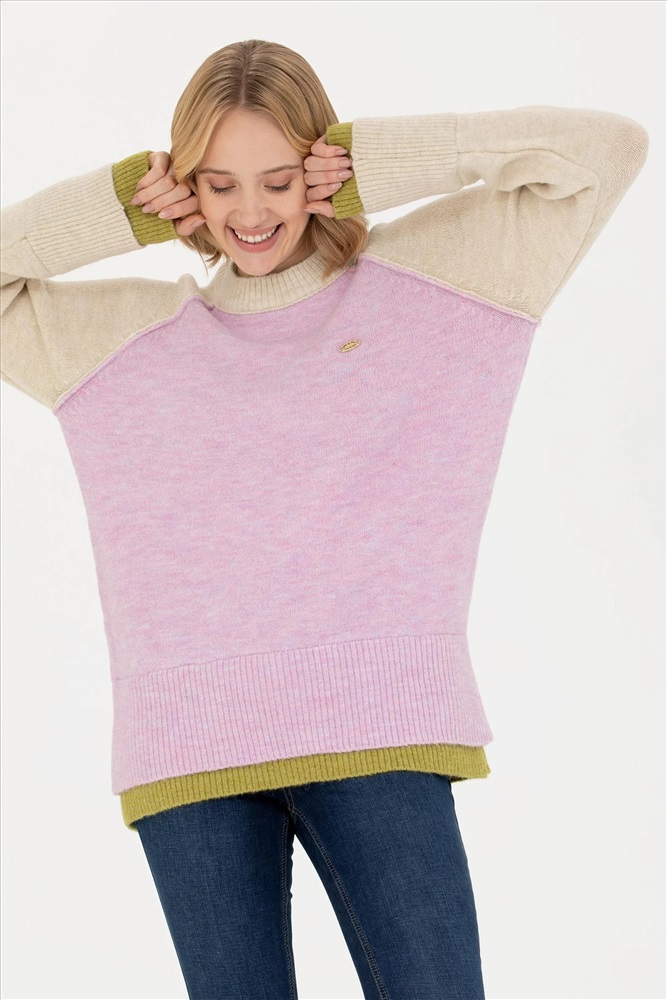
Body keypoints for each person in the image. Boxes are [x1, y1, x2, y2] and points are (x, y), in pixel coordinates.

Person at [0, 36, 649, 1000]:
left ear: (317, 165)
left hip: (379, 725)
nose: (250, 213)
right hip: (189, 752)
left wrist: (376, 164)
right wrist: (116, 207)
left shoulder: (444, 282)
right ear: (184, 189)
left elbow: (605, 150)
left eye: (277, 179)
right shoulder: (120, 340)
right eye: (218, 184)